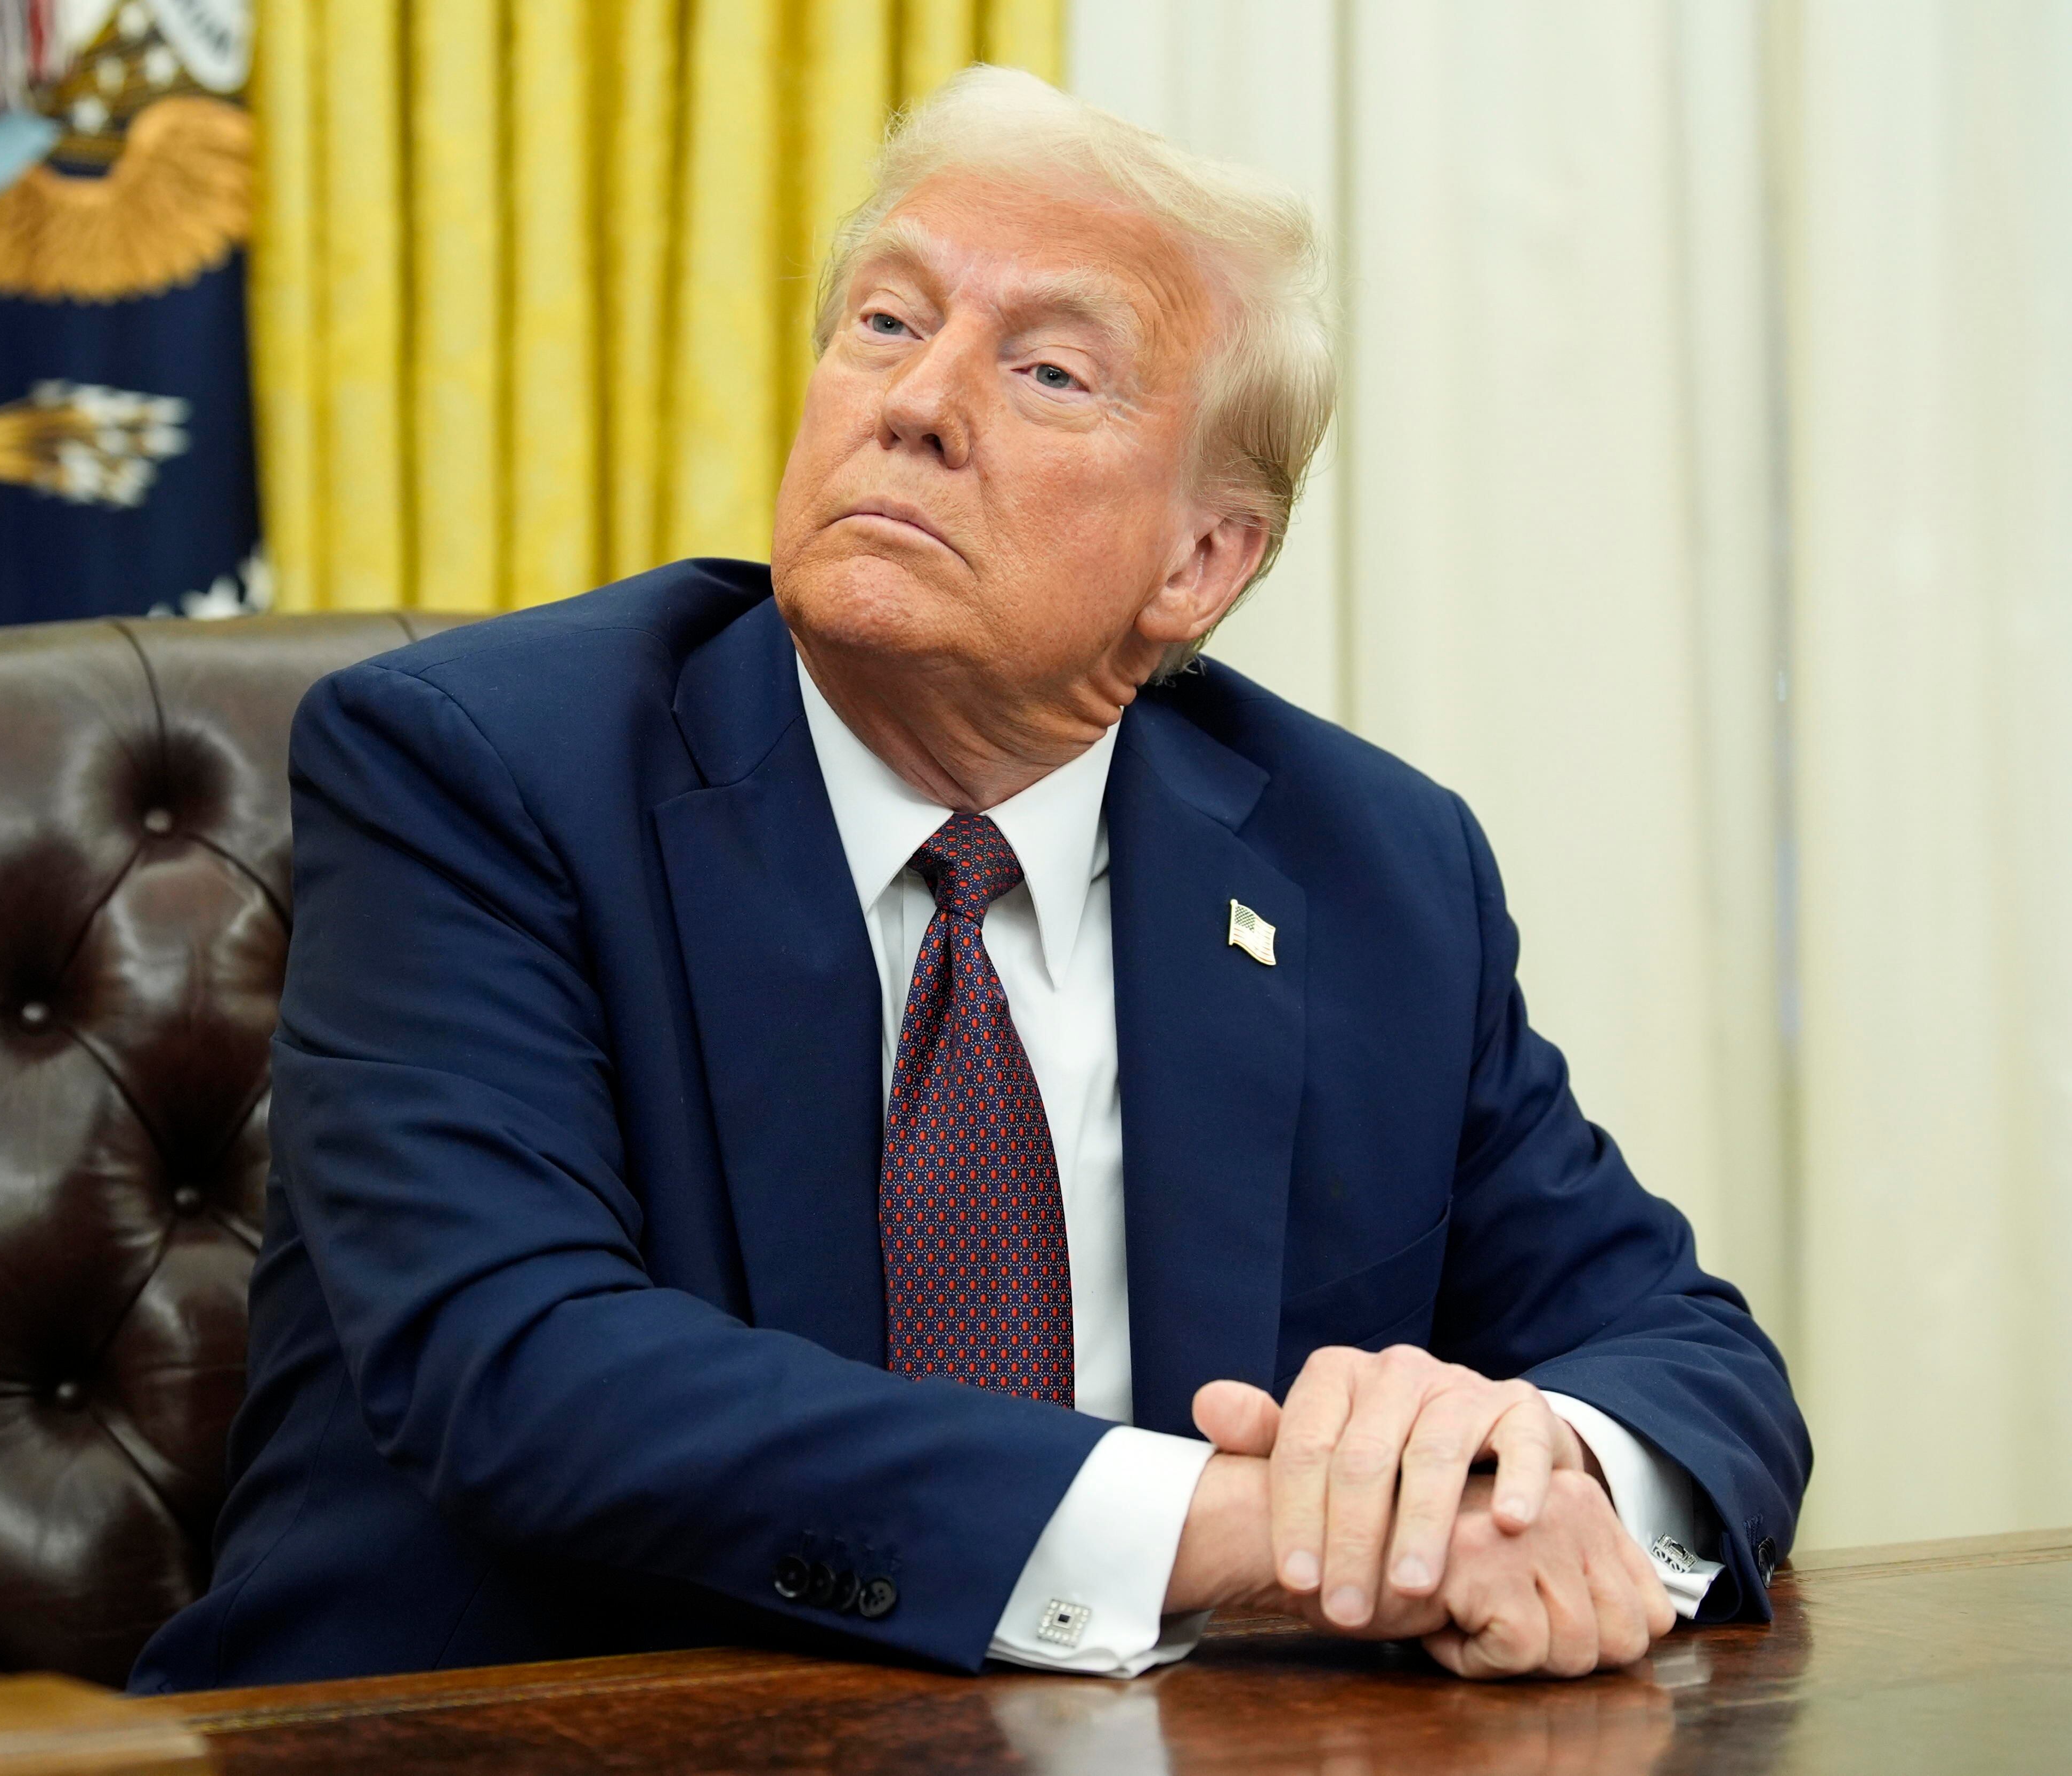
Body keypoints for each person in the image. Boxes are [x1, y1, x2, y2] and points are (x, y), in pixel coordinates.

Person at [133, 68, 1809, 1691]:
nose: (914, 401)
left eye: (1050, 372)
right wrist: (1269, 1525)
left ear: (1198, 559)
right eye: (884, 319)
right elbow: (522, 1370)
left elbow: (1689, 1355)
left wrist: (1535, 1478)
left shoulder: (1370, 864)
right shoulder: (482, 769)